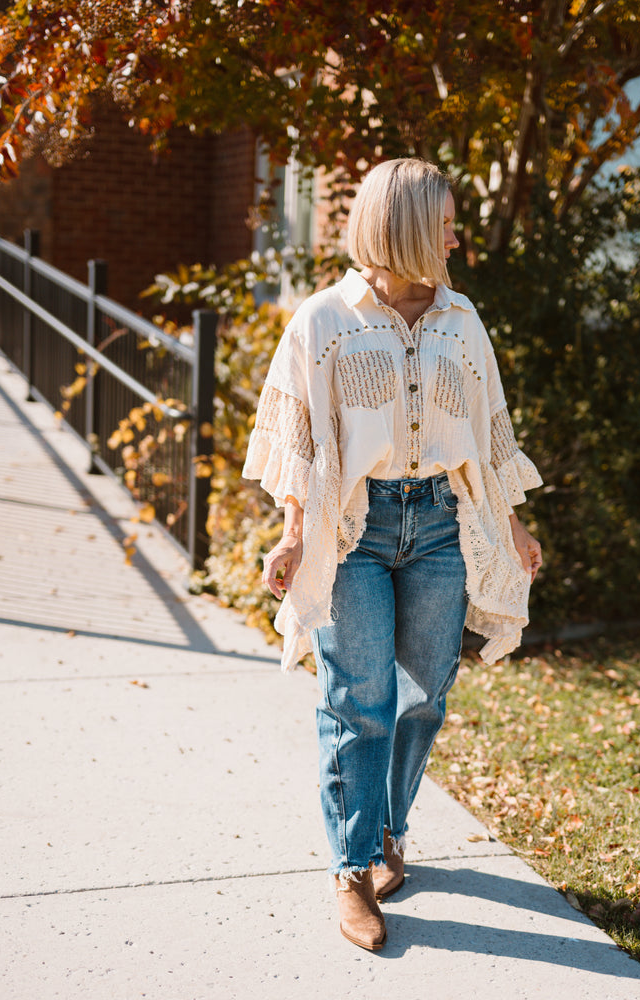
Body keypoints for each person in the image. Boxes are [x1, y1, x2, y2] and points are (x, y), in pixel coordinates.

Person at [242, 158, 543, 951]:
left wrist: (511, 525)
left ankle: (388, 833)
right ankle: (351, 869)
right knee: (358, 700)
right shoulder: (324, 321)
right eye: (444, 221)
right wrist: (294, 531)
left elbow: (488, 428)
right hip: (357, 530)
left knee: (424, 695)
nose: (456, 234)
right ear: (408, 226)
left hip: (442, 524)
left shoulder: (461, 319)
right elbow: (301, 440)